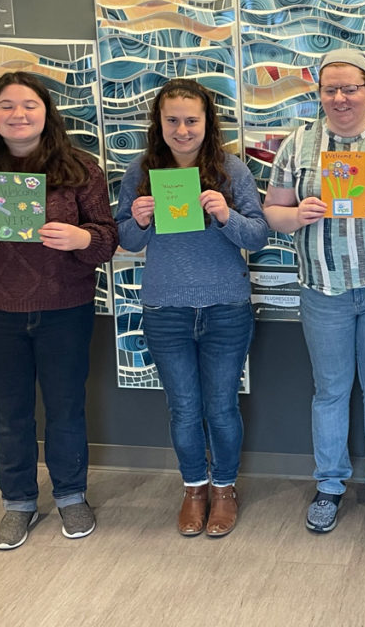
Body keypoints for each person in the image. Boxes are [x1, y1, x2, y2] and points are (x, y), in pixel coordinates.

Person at [0, 71, 117, 549]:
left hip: (65, 309)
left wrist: (81, 237)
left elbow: (106, 239)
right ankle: (18, 502)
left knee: (66, 408)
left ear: (46, 112)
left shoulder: (80, 169)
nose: (18, 114)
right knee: (10, 413)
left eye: (29, 105)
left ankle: (71, 495)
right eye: (7, 106)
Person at [263, 49, 365, 535]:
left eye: (350, 88)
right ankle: (330, 484)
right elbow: (273, 212)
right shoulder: (297, 145)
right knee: (330, 392)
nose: (340, 98)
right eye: (330, 89)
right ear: (319, 93)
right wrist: (297, 215)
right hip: (322, 289)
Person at [116, 78, 268, 538]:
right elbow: (127, 240)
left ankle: (224, 489)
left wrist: (225, 214)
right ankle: (194, 489)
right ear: (159, 123)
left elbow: (258, 236)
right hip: (166, 309)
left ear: (207, 122)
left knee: (221, 407)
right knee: (183, 408)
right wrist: (138, 220)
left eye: (191, 120)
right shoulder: (140, 170)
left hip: (225, 307)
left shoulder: (231, 170)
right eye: (172, 120)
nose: (182, 130)